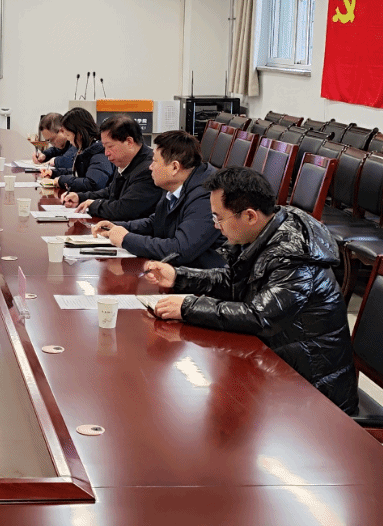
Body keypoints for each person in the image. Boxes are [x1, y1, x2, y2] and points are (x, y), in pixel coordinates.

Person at [144, 167, 359, 414]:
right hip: (279, 367)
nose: (215, 226)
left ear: (249, 216)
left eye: (219, 218)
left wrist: (188, 307)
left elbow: (260, 316)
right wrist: (179, 276)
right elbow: (233, 282)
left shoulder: (294, 257)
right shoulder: (265, 232)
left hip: (313, 393)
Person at [92, 130, 226, 268]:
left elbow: (179, 250)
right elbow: (157, 222)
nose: (150, 167)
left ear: (174, 167)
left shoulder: (207, 196)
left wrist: (126, 239)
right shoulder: (178, 183)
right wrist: (118, 227)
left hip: (201, 275)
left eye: (155, 161)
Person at [61, 115, 162, 221]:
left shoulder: (149, 169)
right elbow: (111, 192)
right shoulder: (125, 161)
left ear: (129, 142)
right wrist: (80, 197)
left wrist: (93, 205)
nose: (106, 153)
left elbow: (124, 210)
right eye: (104, 147)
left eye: (110, 146)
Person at [40, 107, 114, 192]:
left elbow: (92, 184)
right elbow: (78, 173)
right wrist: (54, 173)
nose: (68, 139)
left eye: (68, 135)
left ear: (79, 134)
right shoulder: (87, 148)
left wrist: (61, 181)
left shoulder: (99, 153)